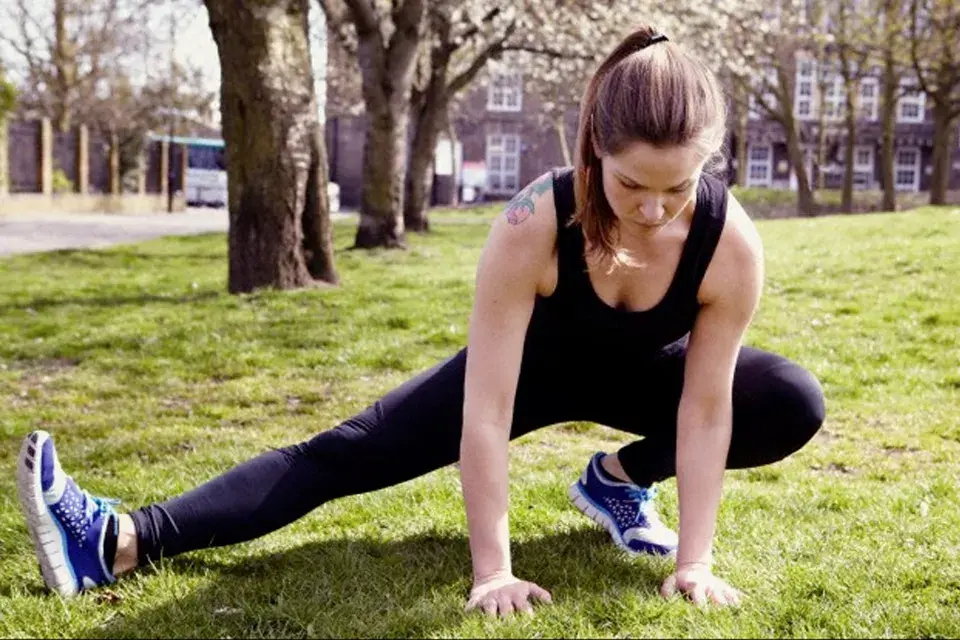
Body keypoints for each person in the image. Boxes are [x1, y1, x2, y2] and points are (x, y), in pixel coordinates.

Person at [15, 25, 825, 616]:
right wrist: (493, 570)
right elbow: (486, 410)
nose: (653, 210)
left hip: (652, 378)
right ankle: (117, 539)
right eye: (630, 186)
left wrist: (696, 560)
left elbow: (707, 406)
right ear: (594, 155)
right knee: (346, 453)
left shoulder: (731, 244)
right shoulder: (533, 225)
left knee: (789, 397)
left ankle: (617, 480)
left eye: (675, 189)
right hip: (532, 372)